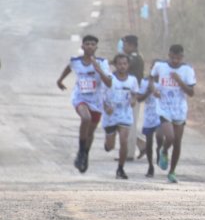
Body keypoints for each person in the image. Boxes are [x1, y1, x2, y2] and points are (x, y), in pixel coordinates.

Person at [56, 35, 111, 173]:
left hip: (97, 101)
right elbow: (69, 68)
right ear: (82, 46)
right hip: (80, 97)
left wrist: (99, 69)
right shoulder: (76, 61)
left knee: (90, 132)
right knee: (86, 118)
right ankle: (81, 152)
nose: (90, 46)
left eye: (93, 44)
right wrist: (60, 80)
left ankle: (85, 154)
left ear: (96, 47)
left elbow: (109, 83)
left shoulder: (103, 62)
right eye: (87, 44)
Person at [150, 44, 196, 183]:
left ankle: (172, 171)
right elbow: (151, 78)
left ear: (182, 57)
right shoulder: (160, 66)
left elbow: (191, 92)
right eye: (172, 57)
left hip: (179, 109)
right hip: (164, 107)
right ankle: (163, 151)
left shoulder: (187, 70)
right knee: (169, 137)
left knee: (177, 141)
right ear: (168, 55)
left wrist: (179, 80)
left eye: (178, 58)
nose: (175, 61)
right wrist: (154, 90)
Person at [99, 54, 144, 180]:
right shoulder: (109, 79)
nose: (122, 66)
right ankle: (108, 144)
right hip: (110, 115)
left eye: (125, 64)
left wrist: (134, 100)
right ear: (115, 65)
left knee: (124, 141)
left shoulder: (132, 80)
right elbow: (101, 95)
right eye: (119, 64)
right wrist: (106, 107)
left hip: (125, 114)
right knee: (110, 146)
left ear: (128, 65)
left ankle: (120, 169)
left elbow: (135, 94)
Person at [138, 60, 161, 177]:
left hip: (161, 115)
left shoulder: (165, 82)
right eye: (153, 68)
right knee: (149, 142)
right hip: (149, 116)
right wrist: (147, 92)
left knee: (160, 136)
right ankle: (150, 166)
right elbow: (139, 98)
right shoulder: (145, 82)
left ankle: (160, 149)